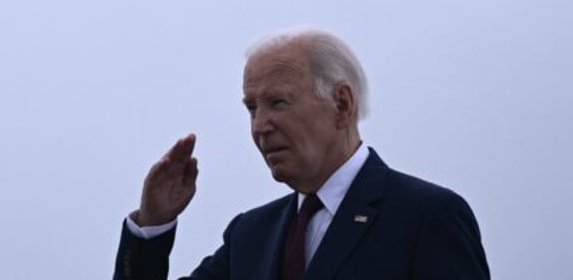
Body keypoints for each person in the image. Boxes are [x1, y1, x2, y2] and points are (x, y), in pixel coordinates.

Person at [113, 28, 490, 279]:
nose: (259, 126)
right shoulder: (250, 234)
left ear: (341, 104)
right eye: (251, 108)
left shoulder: (427, 217)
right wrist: (152, 225)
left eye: (278, 102)